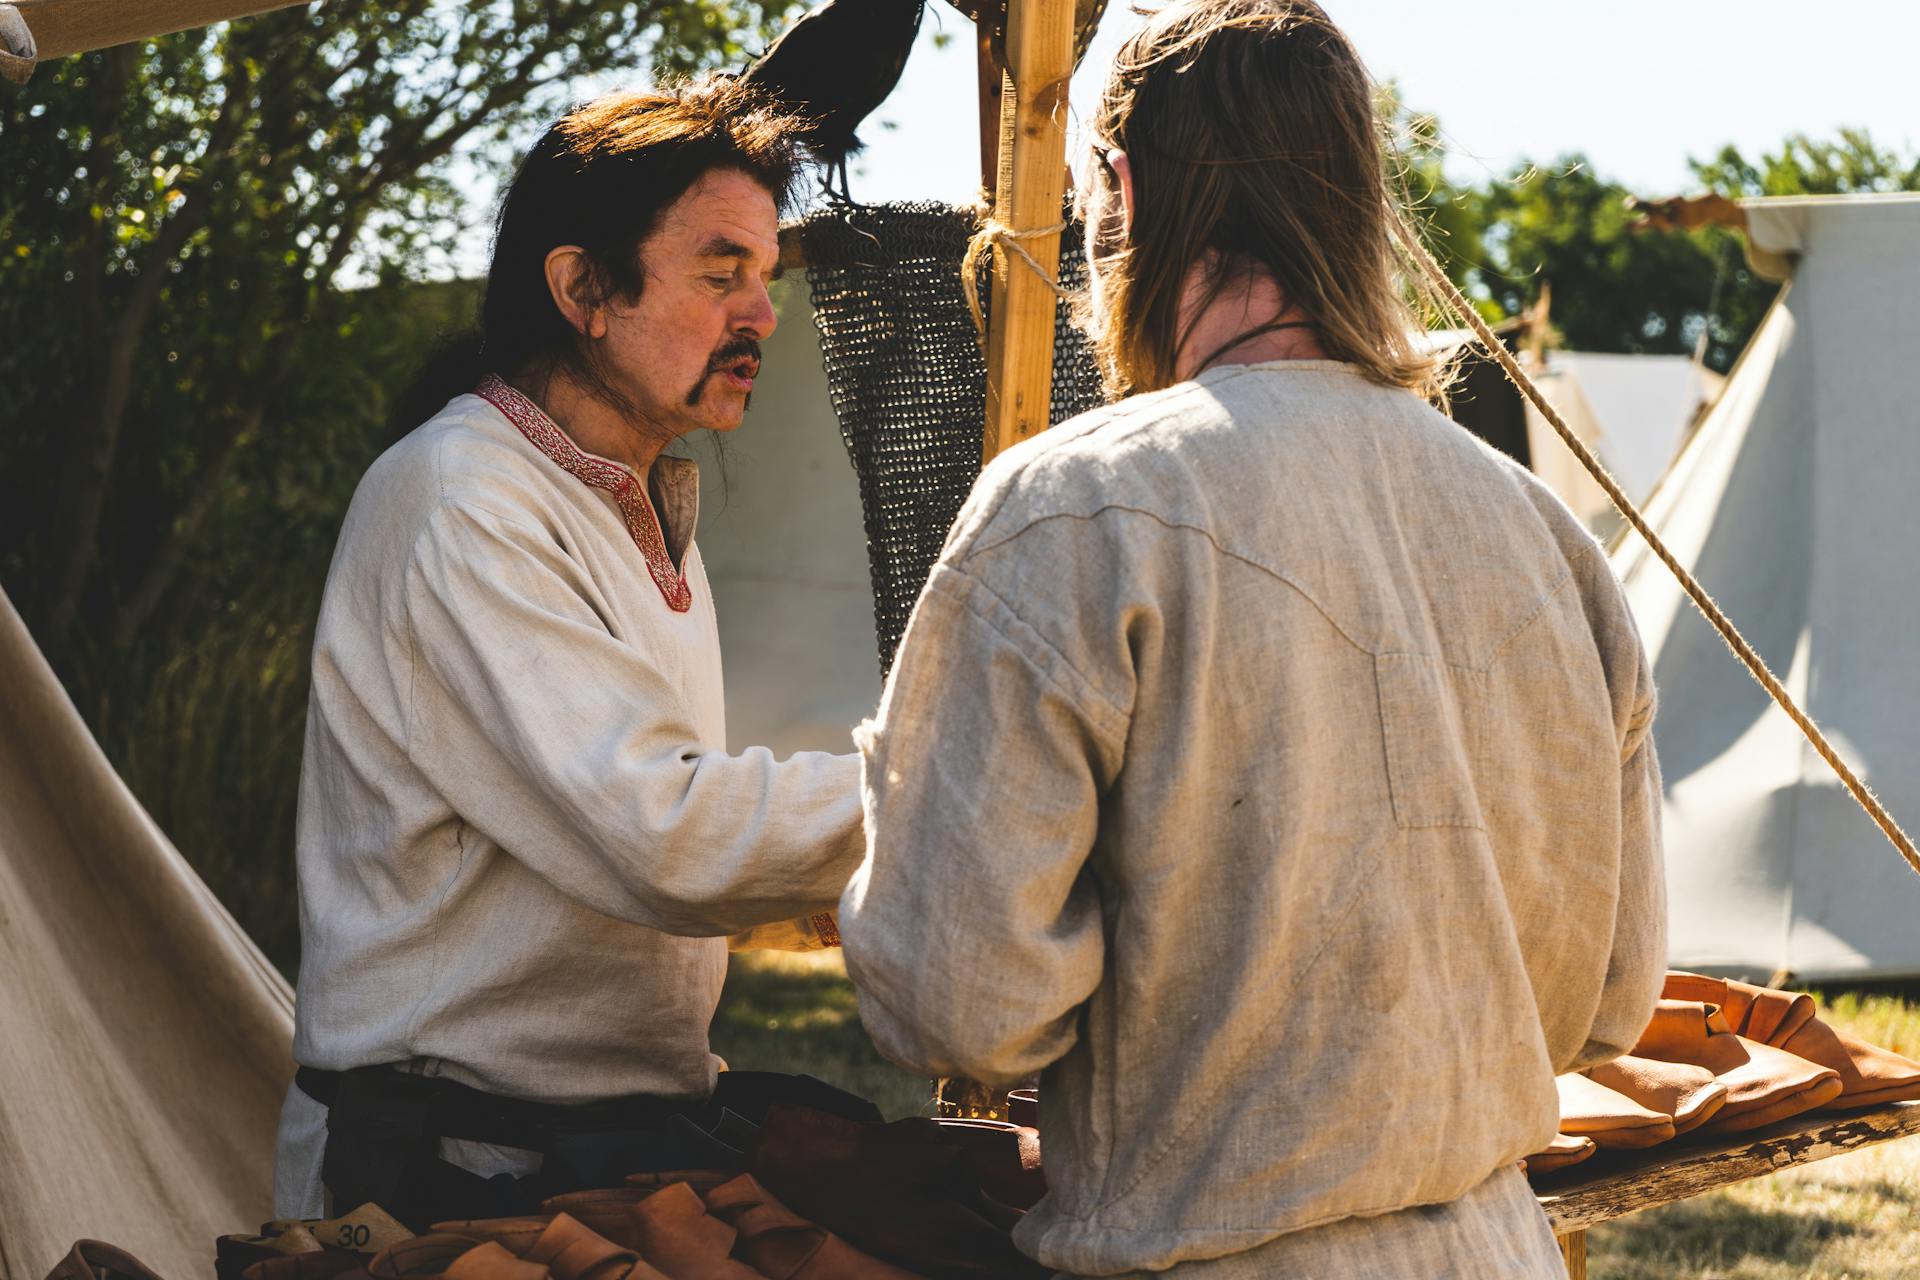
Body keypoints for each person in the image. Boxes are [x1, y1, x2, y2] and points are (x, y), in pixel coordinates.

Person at [837, 3, 1667, 1276]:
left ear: (1121, 189)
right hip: (1499, 1247)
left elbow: (958, 996)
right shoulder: (1543, 529)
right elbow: (1613, 995)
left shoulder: (1076, 504)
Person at [274, 77, 869, 1225]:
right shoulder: (463, 499)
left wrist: (841, 877)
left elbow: (632, 850)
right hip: (446, 1175)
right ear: (583, 288)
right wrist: (944, 788)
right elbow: (664, 835)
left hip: (599, 1149)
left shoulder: (640, 506)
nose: (762, 313)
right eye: (718, 272)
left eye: (762, 274)